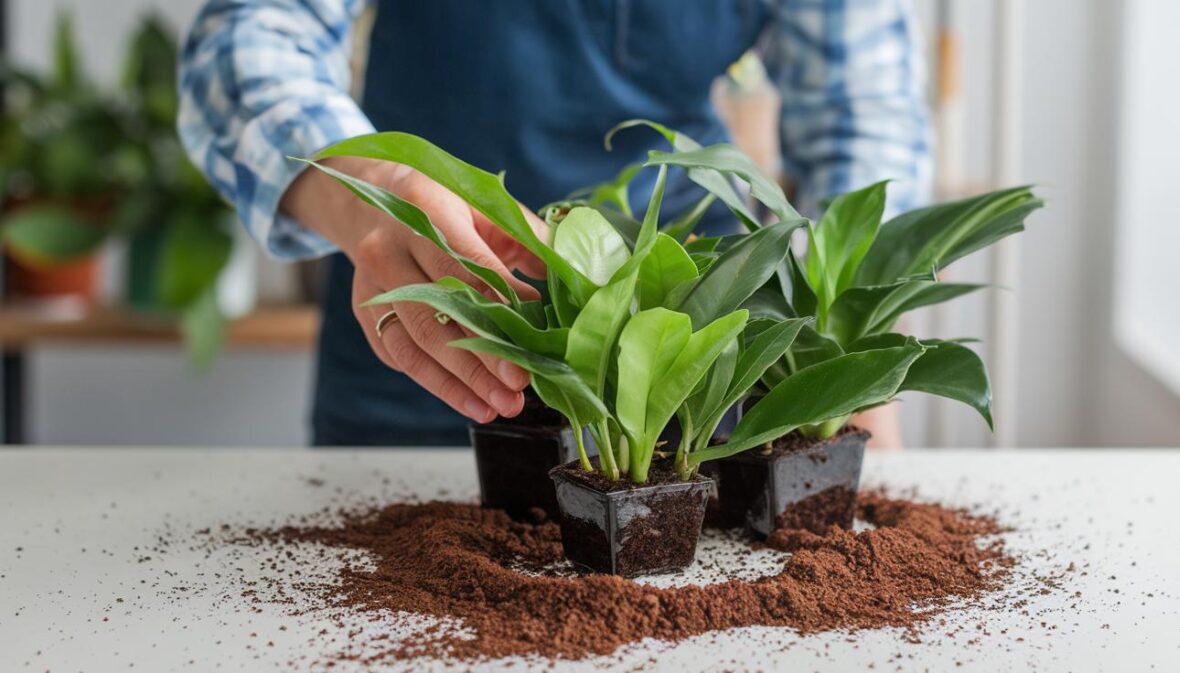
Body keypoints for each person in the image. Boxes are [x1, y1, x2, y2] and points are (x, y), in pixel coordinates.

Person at [178, 0, 930, 448]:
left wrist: (846, 352)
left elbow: (860, 113)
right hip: (425, 331)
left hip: (691, 357)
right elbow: (245, 44)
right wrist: (369, 190)